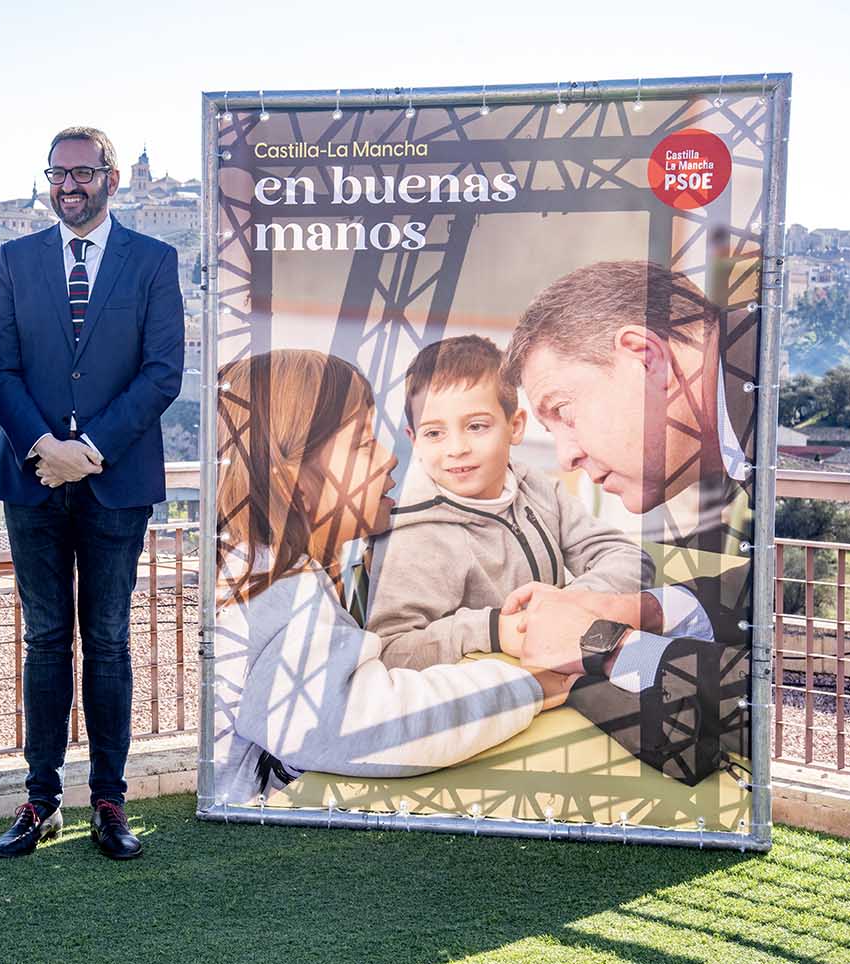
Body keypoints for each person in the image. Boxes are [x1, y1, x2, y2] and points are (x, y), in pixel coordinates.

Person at [212, 350, 569, 805]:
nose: (389, 460)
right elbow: (363, 726)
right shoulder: (280, 593)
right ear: (295, 477)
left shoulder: (272, 575)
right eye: (362, 443)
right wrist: (524, 687)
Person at [0, 126, 183, 860]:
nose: (68, 185)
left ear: (113, 178)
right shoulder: (15, 259)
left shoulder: (155, 261)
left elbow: (163, 372)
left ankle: (108, 802)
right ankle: (40, 802)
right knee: (43, 642)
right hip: (32, 481)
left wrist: (88, 452)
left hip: (115, 480)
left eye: (83, 172)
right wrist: (47, 448)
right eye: (57, 173)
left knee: (107, 641)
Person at [499, 260, 754, 785]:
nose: (565, 455)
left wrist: (605, 646)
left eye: (563, 411)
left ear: (645, 357)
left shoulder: (792, 426)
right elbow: (772, 603)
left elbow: (793, 710)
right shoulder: (756, 396)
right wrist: (645, 610)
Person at [362, 335, 651, 668]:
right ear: (414, 441)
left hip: (569, 666)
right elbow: (391, 650)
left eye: (476, 426)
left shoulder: (538, 489)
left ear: (515, 427)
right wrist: (494, 629)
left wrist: (568, 602)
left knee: (669, 680)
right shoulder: (413, 533)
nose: (456, 448)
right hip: (496, 700)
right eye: (434, 433)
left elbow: (629, 557)